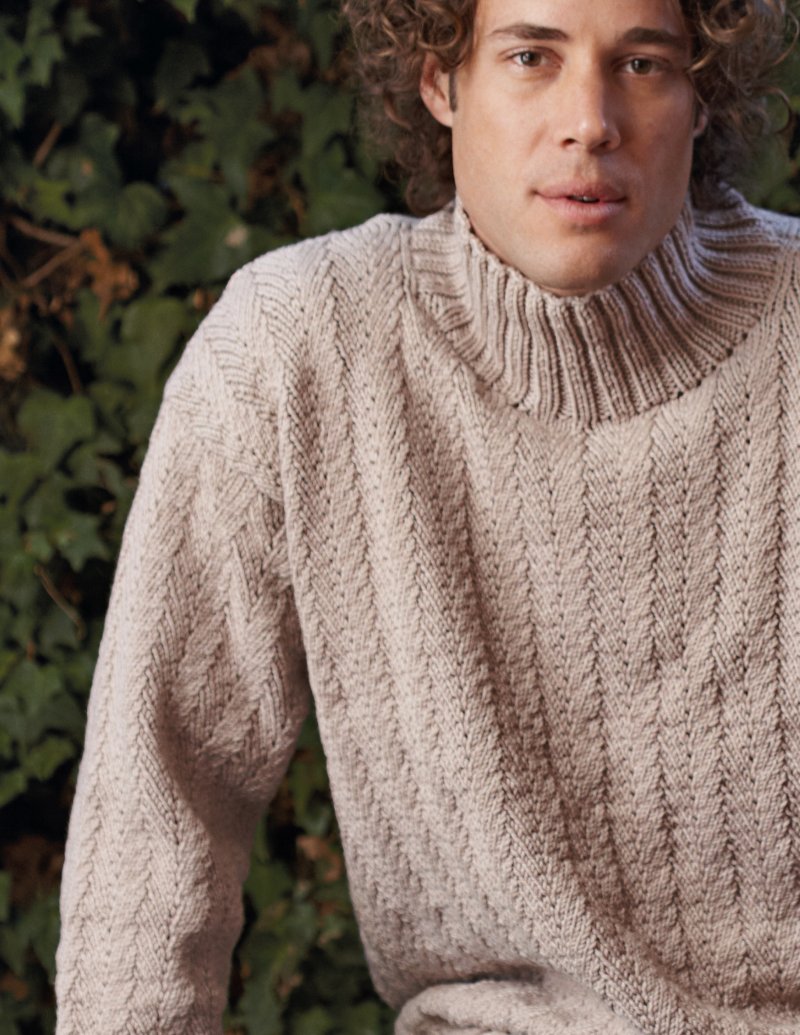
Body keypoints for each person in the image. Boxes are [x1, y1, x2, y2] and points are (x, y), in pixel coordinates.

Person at [55, 0, 800, 1031]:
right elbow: (155, 812)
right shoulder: (298, 351)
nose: (589, 121)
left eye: (642, 63)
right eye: (530, 56)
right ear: (438, 79)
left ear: (701, 94)